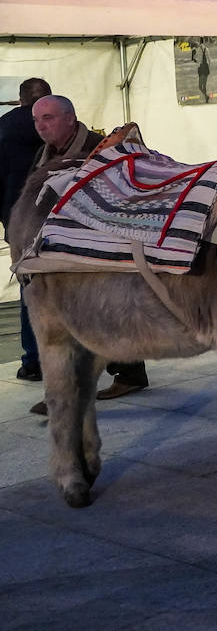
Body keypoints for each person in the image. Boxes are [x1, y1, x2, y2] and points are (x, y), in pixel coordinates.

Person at [27, 95, 148, 414]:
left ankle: (108, 378)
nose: (40, 126)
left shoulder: (101, 147)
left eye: (48, 118)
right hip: (66, 245)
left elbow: (126, 191)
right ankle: (100, 381)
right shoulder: (45, 153)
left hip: (102, 243)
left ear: (70, 117)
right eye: (37, 120)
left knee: (104, 315)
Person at [1, 78, 52, 381]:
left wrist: (7, 220)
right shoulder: (62, 122)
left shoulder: (4, 128)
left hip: (19, 219)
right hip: (56, 216)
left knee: (29, 286)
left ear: (20, 99)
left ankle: (33, 360)